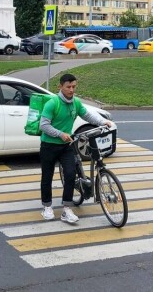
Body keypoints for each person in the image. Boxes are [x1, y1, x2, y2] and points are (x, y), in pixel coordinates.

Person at [39, 73, 113, 223]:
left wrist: (102, 122)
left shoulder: (76, 103)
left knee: (71, 174)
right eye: (68, 87)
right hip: (49, 146)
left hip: (66, 146)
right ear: (60, 87)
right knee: (47, 176)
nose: (71, 90)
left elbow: (87, 116)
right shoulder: (52, 103)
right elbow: (43, 125)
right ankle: (47, 206)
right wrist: (60, 134)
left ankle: (67, 209)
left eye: (74, 87)